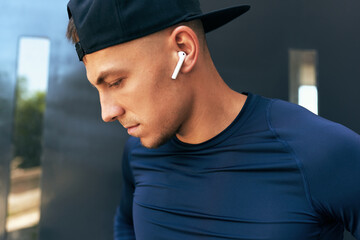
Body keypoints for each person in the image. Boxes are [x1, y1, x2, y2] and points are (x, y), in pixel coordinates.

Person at [66, 0, 360, 239]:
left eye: (116, 81)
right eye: (98, 88)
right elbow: (126, 226)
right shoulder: (138, 153)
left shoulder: (320, 154)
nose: (107, 112)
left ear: (183, 49)